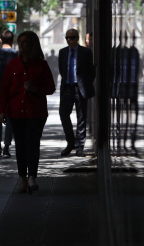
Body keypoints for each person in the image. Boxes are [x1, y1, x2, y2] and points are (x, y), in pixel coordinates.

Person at [0, 31, 55, 194]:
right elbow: (4, 90)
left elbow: (50, 88)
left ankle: (32, 177)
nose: (21, 45)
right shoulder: (13, 65)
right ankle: (23, 178)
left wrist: (36, 89)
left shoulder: (41, 65)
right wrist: (1, 111)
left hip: (35, 112)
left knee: (32, 144)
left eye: (25, 42)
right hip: (15, 112)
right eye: (20, 42)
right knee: (21, 146)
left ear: (33, 44)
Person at [58, 28, 96, 157]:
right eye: (67, 38)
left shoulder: (85, 52)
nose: (69, 40)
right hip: (67, 88)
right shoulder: (62, 52)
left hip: (80, 88)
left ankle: (80, 147)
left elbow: (91, 71)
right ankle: (71, 143)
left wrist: (85, 84)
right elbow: (61, 70)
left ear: (77, 38)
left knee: (81, 118)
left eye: (72, 37)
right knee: (63, 114)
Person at [0, 30, 17, 158]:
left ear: (1, 40)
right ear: (12, 40)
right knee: (10, 119)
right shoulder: (17, 55)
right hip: (13, 92)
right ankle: (6, 147)